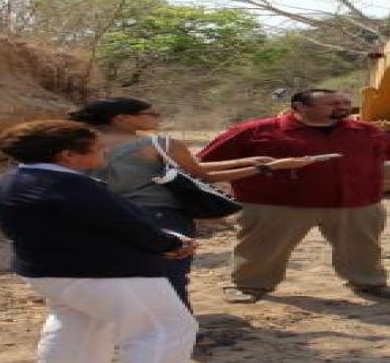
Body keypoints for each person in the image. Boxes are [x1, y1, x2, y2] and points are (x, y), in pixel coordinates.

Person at [0, 120, 205, 363]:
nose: (105, 150)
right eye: (96, 146)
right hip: (104, 272)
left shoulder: (15, 179)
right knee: (163, 328)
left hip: (50, 271)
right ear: (68, 155)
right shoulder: (72, 185)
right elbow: (123, 223)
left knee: (80, 323)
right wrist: (169, 243)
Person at [68, 98, 312, 310]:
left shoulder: (75, 144)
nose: (157, 116)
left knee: (118, 272)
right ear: (122, 118)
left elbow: (188, 168)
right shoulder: (158, 144)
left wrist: (248, 160)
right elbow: (200, 175)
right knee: (168, 274)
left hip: (101, 214)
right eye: (150, 113)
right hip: (159, 216)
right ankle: (175, 330)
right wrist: (269, 167)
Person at [197, 89, 390, 302]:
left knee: (362, 247)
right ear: (299, 107)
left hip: (356, 204)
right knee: (262, 248)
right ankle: (249, 286)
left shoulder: (367, 131)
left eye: (344, 102)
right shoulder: (254, 131)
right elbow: (203, 162)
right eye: (331, 103)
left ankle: (369, 284)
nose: (342, 107)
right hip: (276, 205)